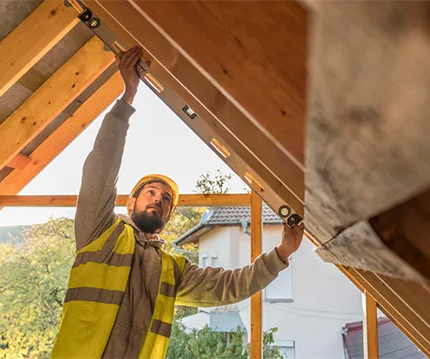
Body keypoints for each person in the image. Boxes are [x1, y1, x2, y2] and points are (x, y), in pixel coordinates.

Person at [50, 46, 304, 359]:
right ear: (131, 203)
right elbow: (100, 170)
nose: (159, 200)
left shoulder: (171, 269)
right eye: (151, 192)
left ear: (169, 216)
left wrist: (282, 254)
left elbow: (230, 286)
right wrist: (127, 98)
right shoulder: (101, 233)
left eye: (167, 199)